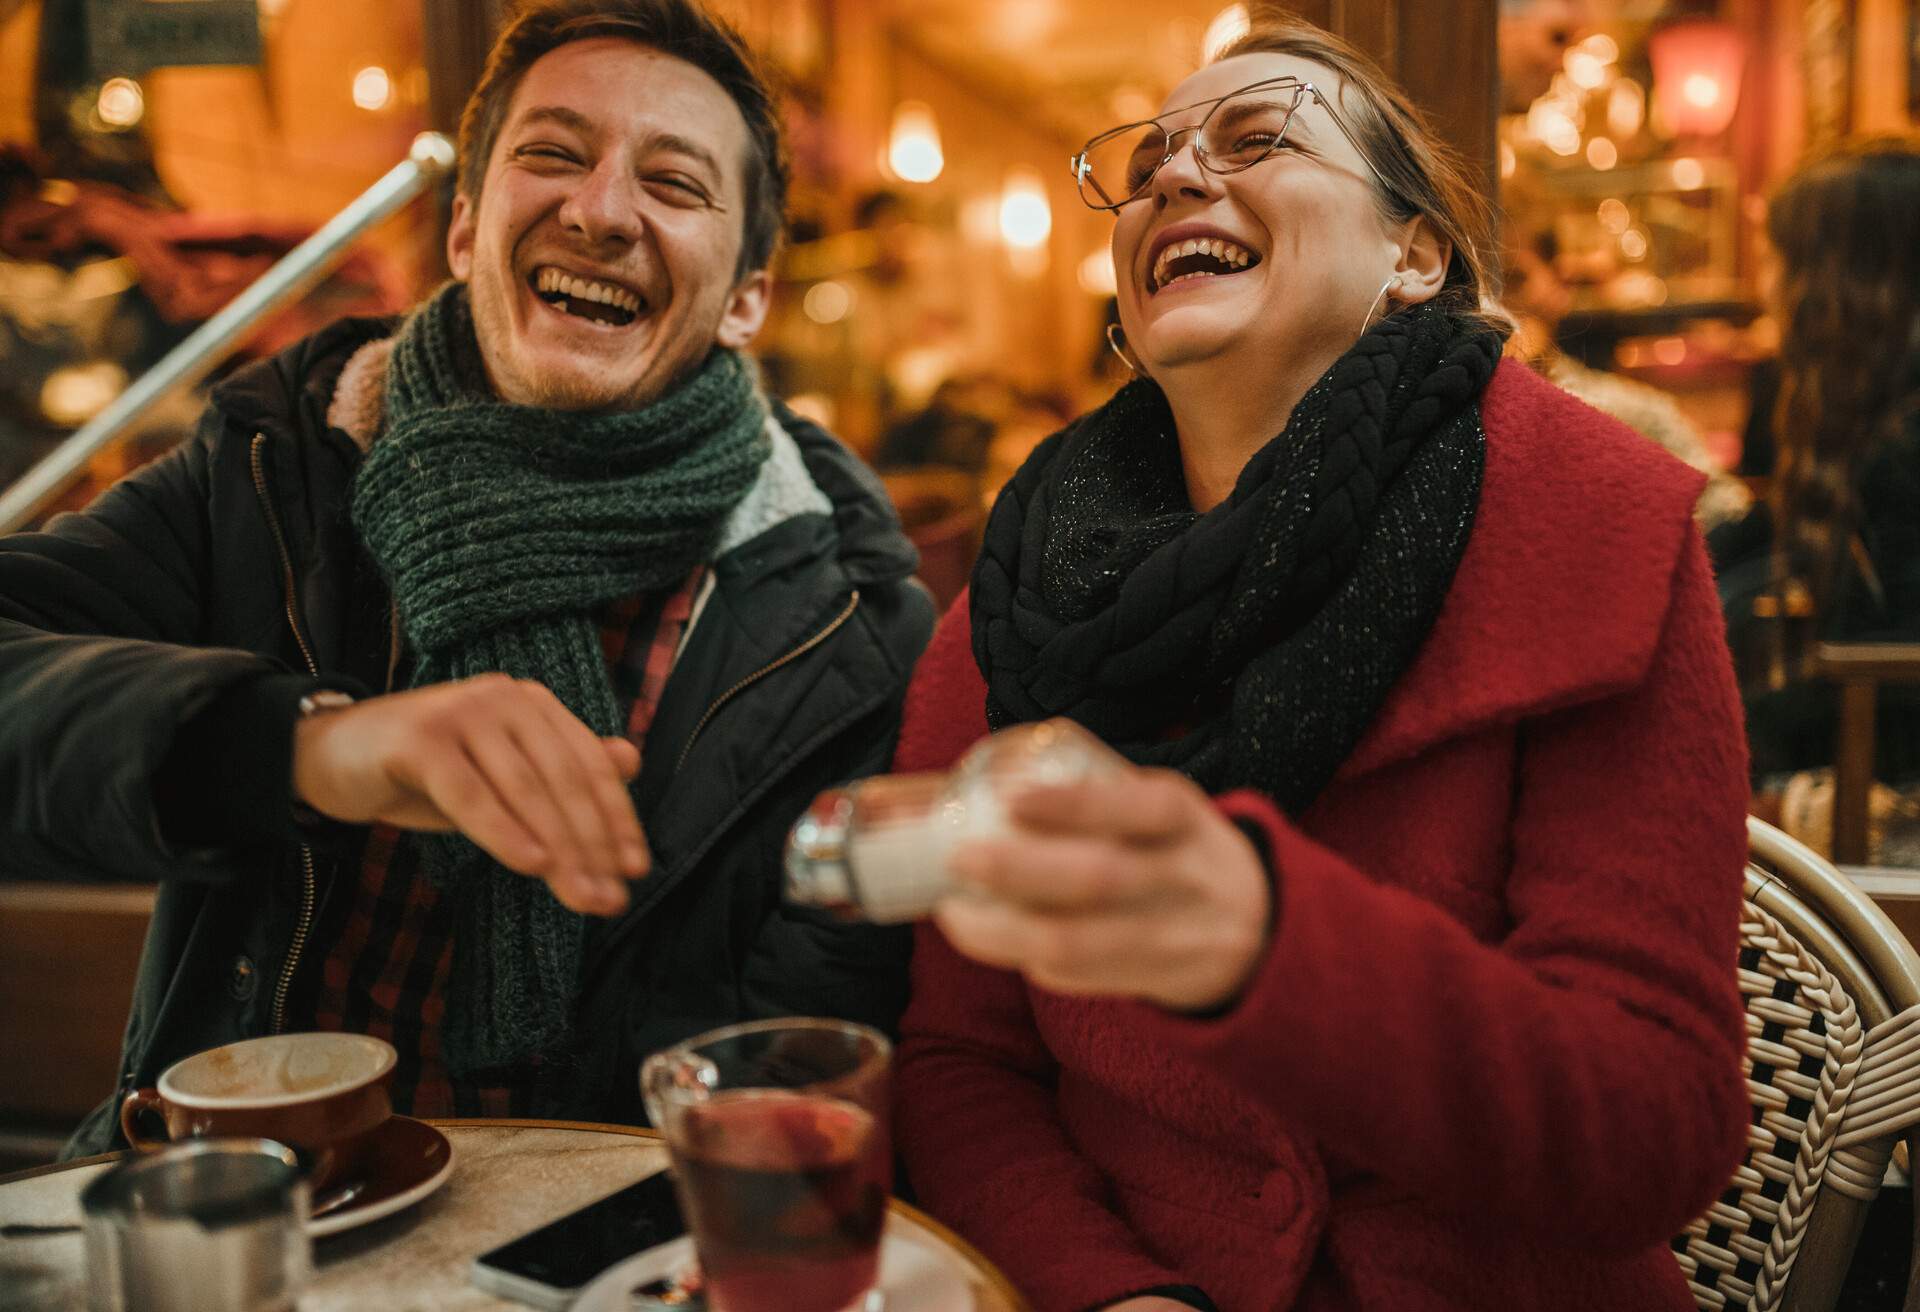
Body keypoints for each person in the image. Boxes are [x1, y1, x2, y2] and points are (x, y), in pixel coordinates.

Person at [892, 17, 1749, 1312]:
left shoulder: (1597, 526)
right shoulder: (1019, 606)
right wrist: (1109, 1291)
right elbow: (962, 1063)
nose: (1176, 176)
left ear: (1415, 254)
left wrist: (1264, 941)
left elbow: (1658, 1123)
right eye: (1151, 165)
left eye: (1257, 139)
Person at [0, 0, 933, 1153]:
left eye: (676, 183)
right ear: (462, 230)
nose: (598, 210)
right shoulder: (271, 468)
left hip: (599, 1240)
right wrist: (301, 747)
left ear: (747, 296)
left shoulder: (846, 621)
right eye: (551, 153)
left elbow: (802, 1053)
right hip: (239, 1205)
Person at [1711, 136, 1920, 797]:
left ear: (1842, 284)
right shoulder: (1877, 418)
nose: (1765, 281)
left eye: (1778, 258)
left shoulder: (1904, 452)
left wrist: (1729, 732)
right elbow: (1758, 534)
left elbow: (1890, 678)